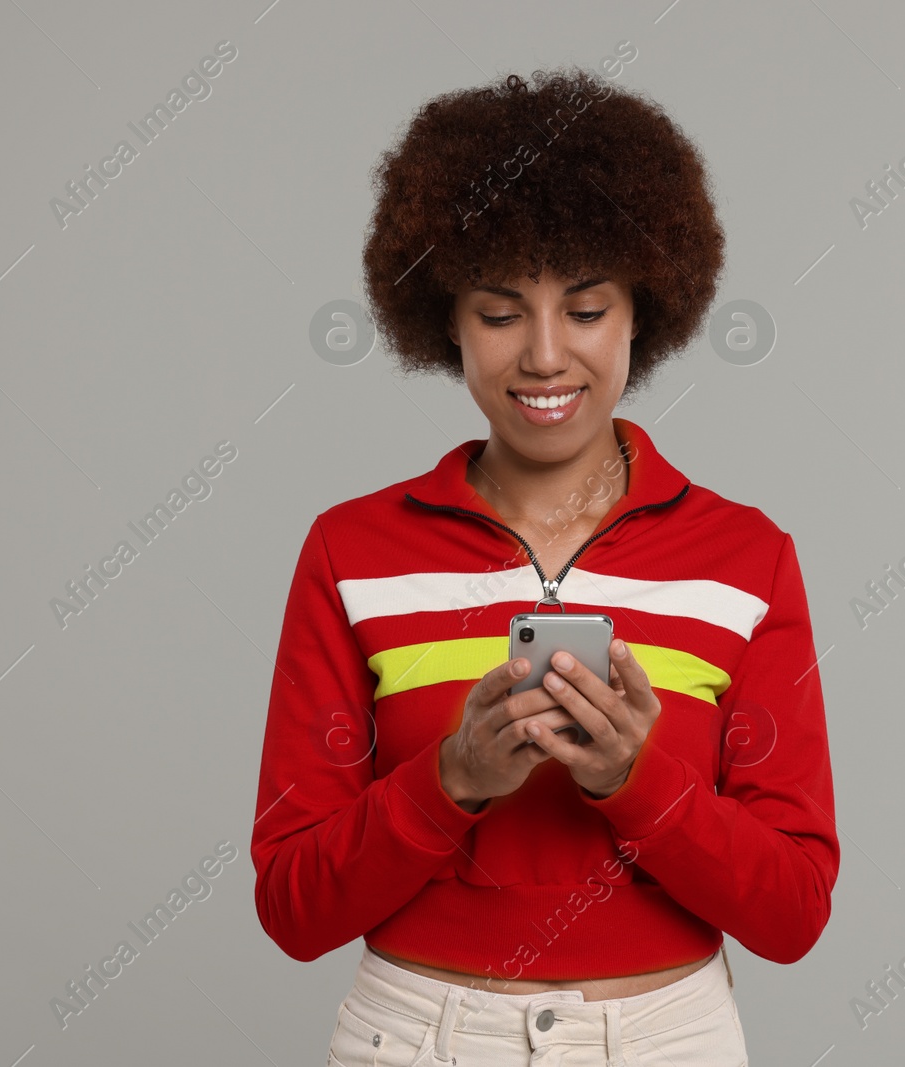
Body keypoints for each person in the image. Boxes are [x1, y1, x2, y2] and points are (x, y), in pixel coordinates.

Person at [251, 66, 839, 1066]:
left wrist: (635, 779)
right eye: (498, 311)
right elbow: (294, 906)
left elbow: (790, 911)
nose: (543, 354)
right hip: (417, 1035)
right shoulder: (350, 552)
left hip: (666, 1039)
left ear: (641, 313)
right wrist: (451, 780)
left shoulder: (745, 559)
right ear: (441, 317)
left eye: (584, 308)